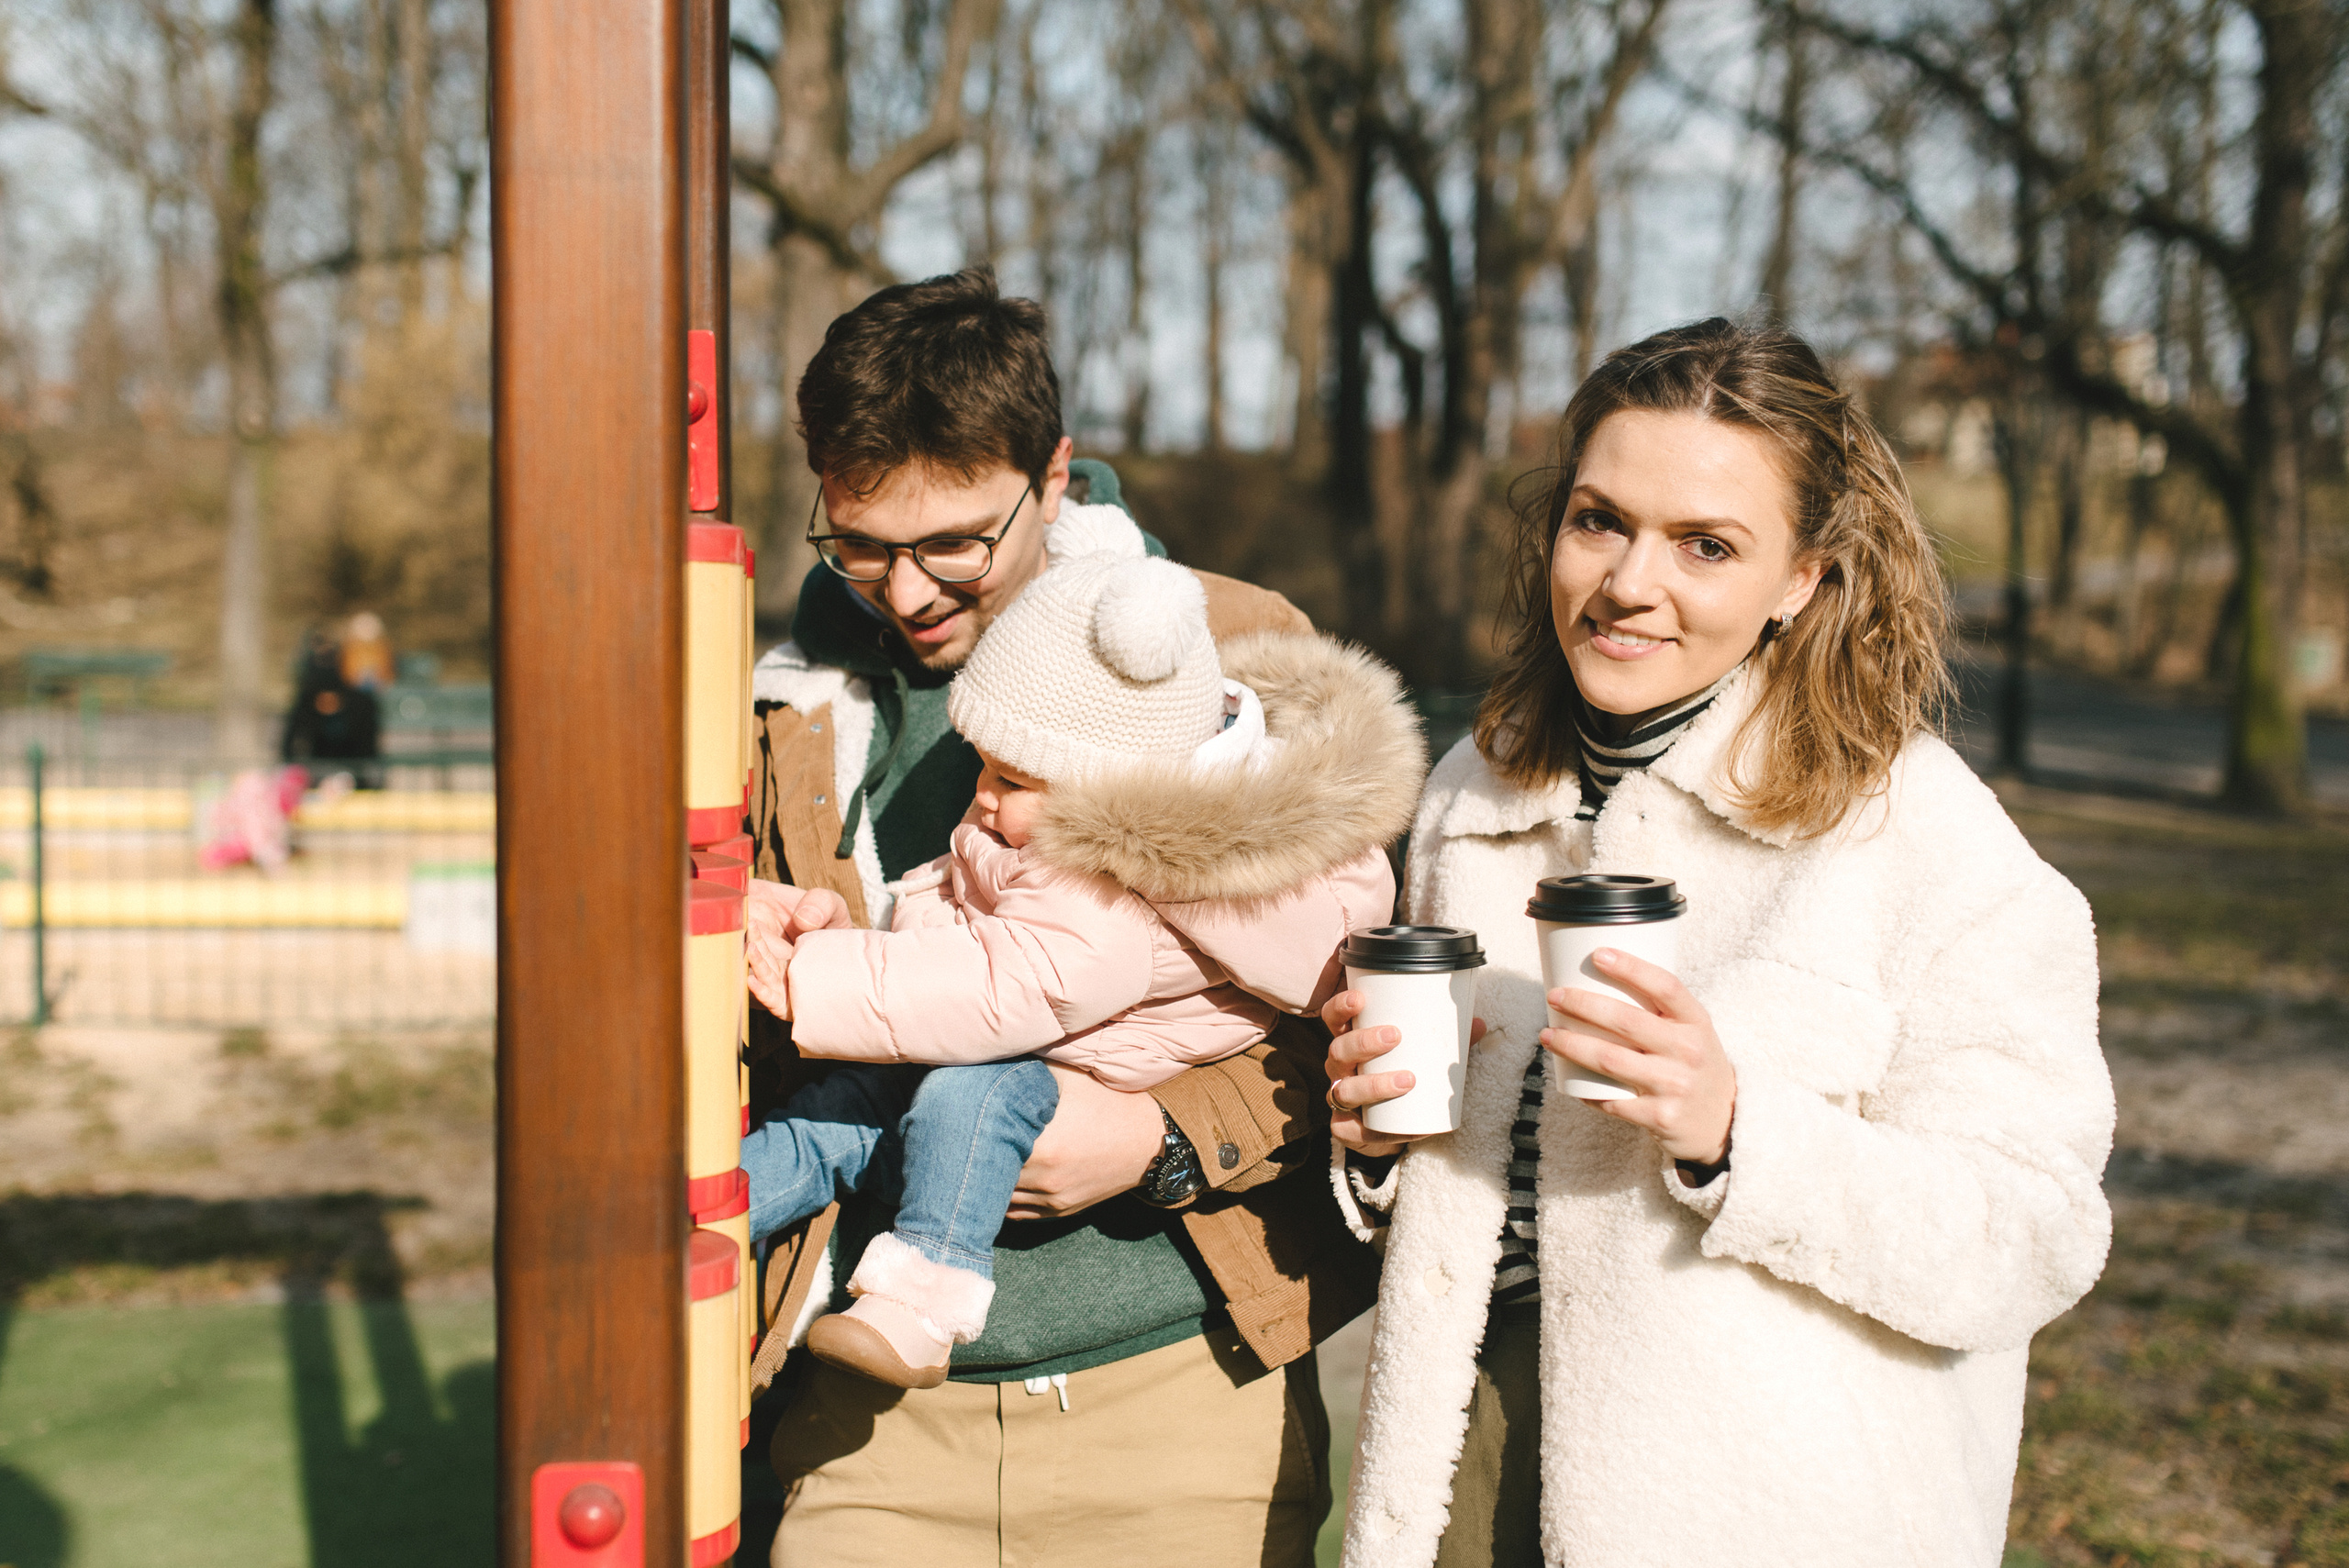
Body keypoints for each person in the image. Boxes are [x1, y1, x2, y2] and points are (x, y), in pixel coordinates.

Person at [1321, 317, 2115, 1567]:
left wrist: (1741, 1132)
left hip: (1767, 1505)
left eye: (1705, 545)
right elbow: (1458, 1188)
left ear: (1800, 577)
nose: (1632, 582)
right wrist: (1371, 1145)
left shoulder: (1916, 831)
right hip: (1461, 1473)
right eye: (1600, 521)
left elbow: (2036, 1233)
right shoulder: (1478, 791)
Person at [743, 266, 1385, 1566]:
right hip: (856, 1417)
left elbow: (1357, 1018)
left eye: (955, 544)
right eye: (861, 543)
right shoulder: (769, 702)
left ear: (1054, 477)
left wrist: (1156, 1137)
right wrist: (734, 928)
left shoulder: (1240, 655)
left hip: (1184, 1395)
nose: (907, 593)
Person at [740, 531, 1415, 1390]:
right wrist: (875, 934)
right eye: (982, 764)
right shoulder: (1045, 822)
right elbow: (957, 901)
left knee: (961, 1105)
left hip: (1048, 1058)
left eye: (1011, 779)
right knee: (840, 1109)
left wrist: (818, 978)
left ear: (1112, 788)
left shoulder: (1109, 895)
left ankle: (922, 1297)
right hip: (1007, 1028)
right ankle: (712, 1209)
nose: (981, 794)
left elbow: (1007, 985)